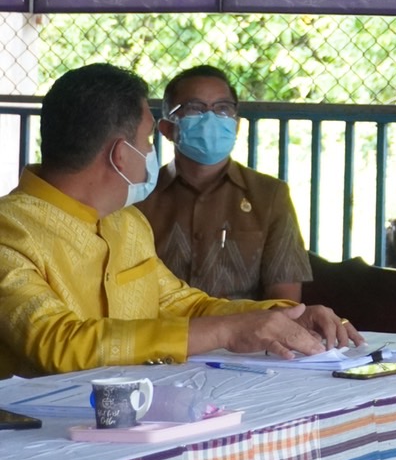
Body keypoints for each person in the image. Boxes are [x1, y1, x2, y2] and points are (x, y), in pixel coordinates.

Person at [0, 63, 359, 378]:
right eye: (147, 140)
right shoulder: (10, 231)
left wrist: (284, 317)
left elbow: (185, 305)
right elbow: (57, 343)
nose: (151, 153)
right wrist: (225, 332)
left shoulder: (126, 224)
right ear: (121, 156)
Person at [139, 66, 312, 302]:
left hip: (244, 335)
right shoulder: (141, 196)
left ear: (236, 126)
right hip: (163, 334)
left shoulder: (269, 195)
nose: (210, 118)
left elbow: (284, 302)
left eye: (223, 109)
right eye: (195, 109)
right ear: (167, 129)